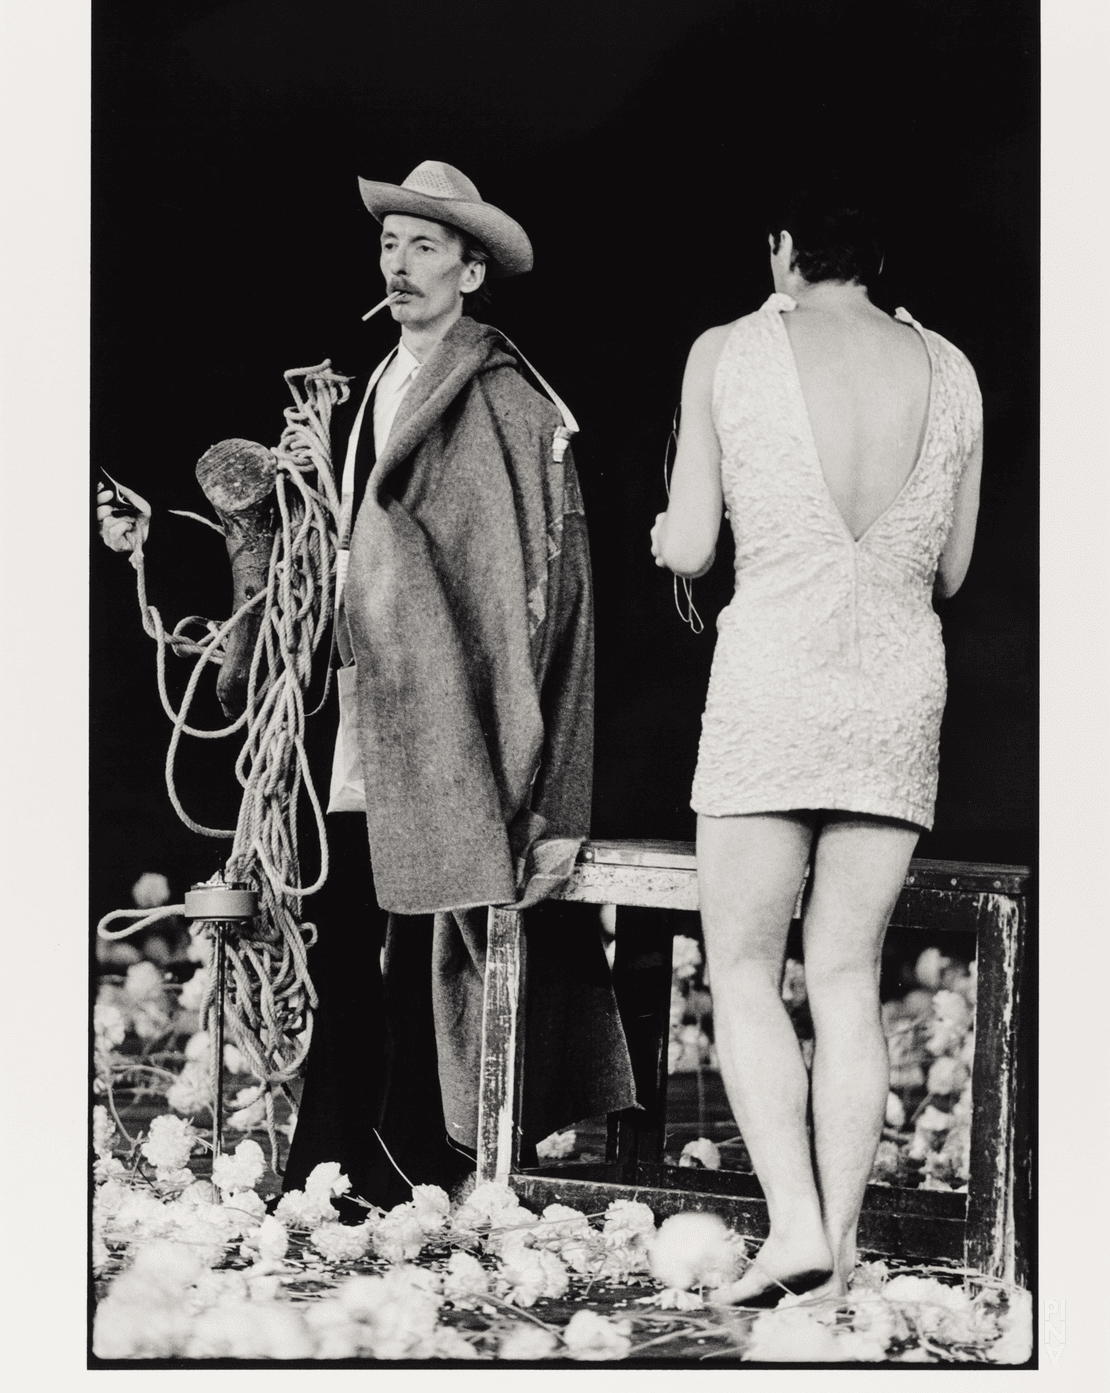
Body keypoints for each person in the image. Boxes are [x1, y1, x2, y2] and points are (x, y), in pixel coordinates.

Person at [99, 159, 633, 1209]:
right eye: (390, 244)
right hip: (368, 699)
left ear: (474, 271)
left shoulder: (513, 406)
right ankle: (338, 1150)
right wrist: (231, 521)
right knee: (344, 921)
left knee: (424, 933)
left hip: (453, 713)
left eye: (425, 245)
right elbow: (340, 548)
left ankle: (410, 1154)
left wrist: (559, 796)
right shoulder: (375, 385)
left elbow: (556, 597)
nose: (399, 264)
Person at [650, 191, 983, 1303]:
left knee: (744, 966)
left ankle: (791, 1221)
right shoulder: (954, 369)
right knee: (847, 975)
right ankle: (833, 1256)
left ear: (784, 250)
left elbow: (694, 543)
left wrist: (667, 535)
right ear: (879, 256)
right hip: (895, 691)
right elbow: (952, 573)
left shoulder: (728, 350)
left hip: (773, 684)